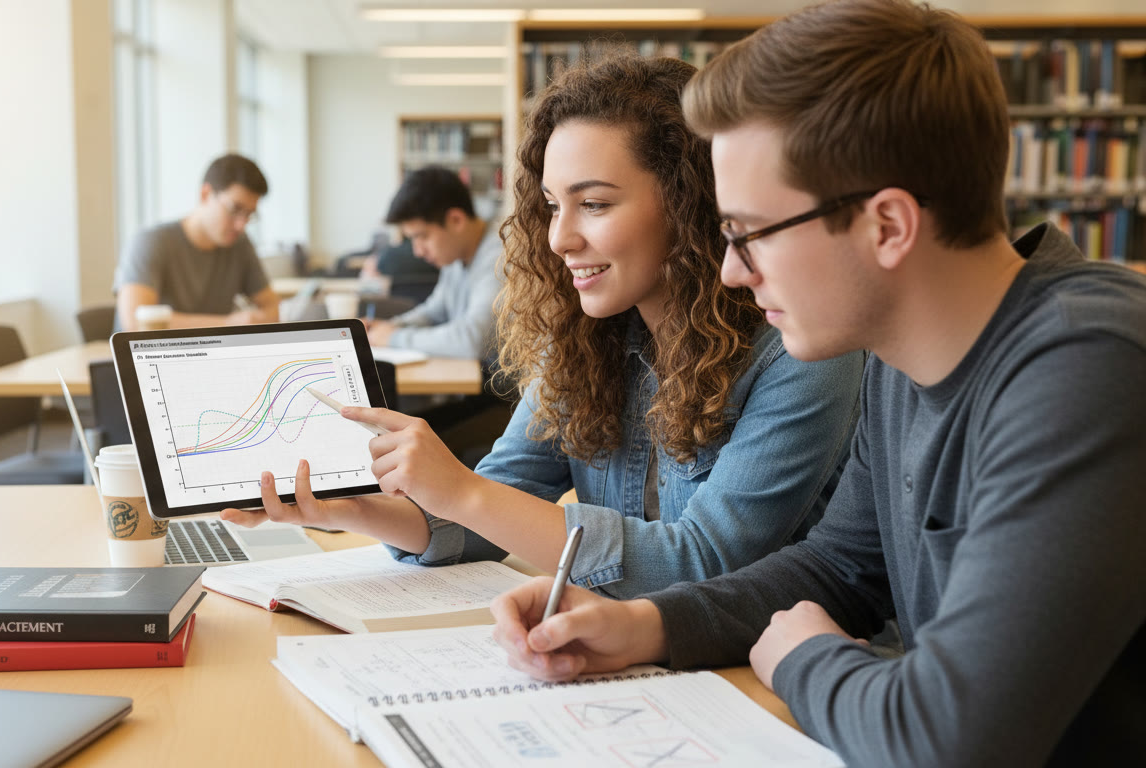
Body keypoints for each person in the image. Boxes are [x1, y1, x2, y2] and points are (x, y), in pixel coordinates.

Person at [489, 2, 1146, 765]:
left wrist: (804, 657)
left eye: (748, 232)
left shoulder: (1087, 363)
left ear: (888, 226)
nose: (730, 269)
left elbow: (953, 737)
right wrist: (647, 627)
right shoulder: (906, 357)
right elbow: (840, 568)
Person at [222, 53, 864, 599]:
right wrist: (352, 510)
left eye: (594, 204)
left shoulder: (799, 352)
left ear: (691, 202)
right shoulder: (586, 343)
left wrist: (463, 493)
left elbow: (699, 564)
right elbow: (489, 513)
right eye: (553, 206)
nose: (560, 237)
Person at [113, 153, 279, 331]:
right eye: (235, 209)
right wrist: (228, 324)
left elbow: (272, 310)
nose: (241, 224)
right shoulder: (150, 243)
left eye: (249, 214)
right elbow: (135, 322)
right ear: (206, 194)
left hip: (211, 355)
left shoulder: (240, 244)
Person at [364, 167, 501, 359]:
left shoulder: (500, 257)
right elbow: (434, 312)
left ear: (456, 220)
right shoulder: (456, 253)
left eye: (422, 237)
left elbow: (473, 341)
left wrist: (394, 338)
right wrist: (390, 327)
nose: (417, 251)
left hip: (498, 387)